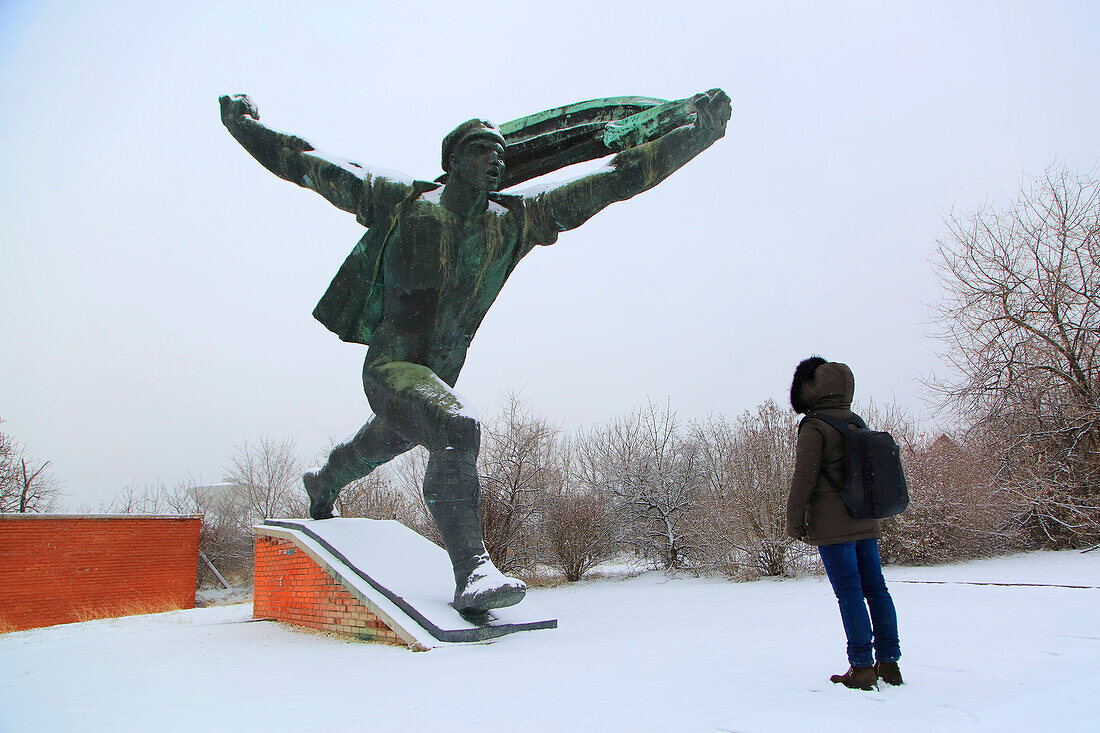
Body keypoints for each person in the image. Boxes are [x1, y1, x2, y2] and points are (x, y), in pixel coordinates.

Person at [219, 90, 731, 614]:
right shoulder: (400, 200)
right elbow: (303, 162)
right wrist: (243, 128)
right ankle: (473, 573)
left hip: (435, 380)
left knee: (375, 446)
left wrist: (697, 136)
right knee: (457, 429)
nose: (497, 160)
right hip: (390, 369)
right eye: (484, 151)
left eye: (501, 154)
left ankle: (324, 483)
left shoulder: (515, 221)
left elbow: (619, 178)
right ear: (453, 161)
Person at [786, 356, 903, 690]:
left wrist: (794, 522)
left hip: (833, 526)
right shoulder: (855, 421)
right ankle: (889, 663)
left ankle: (862, 667)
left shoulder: (815, 426)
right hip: (865, 517)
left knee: (849, 592)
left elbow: (803, 478)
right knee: (876, 588)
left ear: (810, 390)